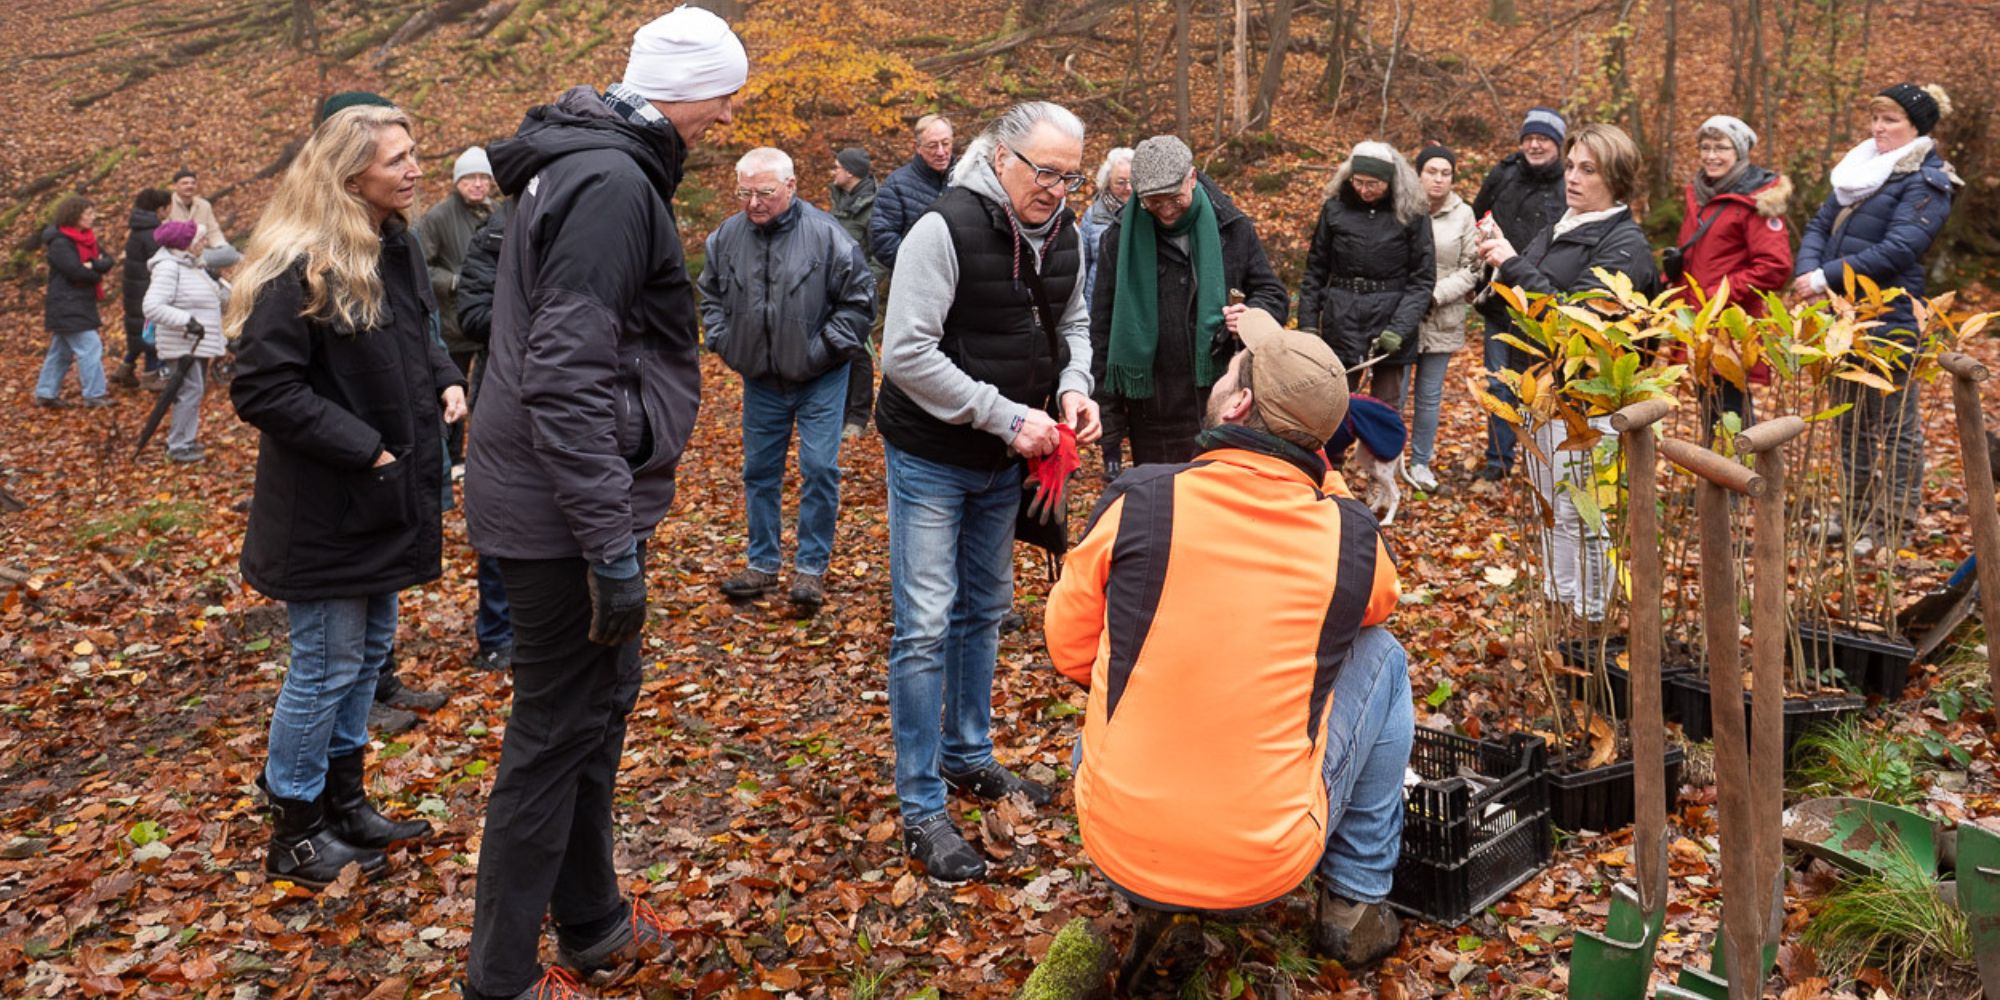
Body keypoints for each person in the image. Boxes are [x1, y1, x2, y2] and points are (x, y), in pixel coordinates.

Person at [460, 8, 747, 999]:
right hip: (561, 510)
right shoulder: (611, 183)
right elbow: (565, 373)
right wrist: (606, 543)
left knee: (595, 708)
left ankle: (591, 919)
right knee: (550, 733)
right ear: (685, 90)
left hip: (568, 498)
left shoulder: (587, 163)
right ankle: (497, 977)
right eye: (724, 96)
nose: (727, 117)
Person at [1045, 309, 1407, 988]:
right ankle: (1354, 900)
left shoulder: (1141, 499)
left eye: (1229, 373)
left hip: (1115, 837)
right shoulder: (1352, 537)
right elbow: (1378, 602)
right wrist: (1319, 482)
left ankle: (1158, 861)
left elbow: (1068, 651)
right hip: (1267, 860)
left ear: (1237, 403)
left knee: (1120, 667)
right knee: (1382, 654)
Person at [226, 103, 463, 889]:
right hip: (328, 508)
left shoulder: (391, 246)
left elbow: (413, 340)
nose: (414, 168)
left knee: (365, 660)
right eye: (397, 158)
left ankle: (345, 802)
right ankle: (295, 829)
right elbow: (263, 386)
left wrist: (447, 379)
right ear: (349, 172)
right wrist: (366, 449)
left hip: (383, 501)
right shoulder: (301, 260)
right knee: (324, 667)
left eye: (413, 151)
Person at [875, 101, 1102, 883]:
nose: (1058, 190)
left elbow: (1072, 322)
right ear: (1000, 157)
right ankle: (919, 804)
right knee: (926, 624)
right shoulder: (941, 229)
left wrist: (1075, 388)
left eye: (1071, 176)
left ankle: (969, 754)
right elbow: (904, 353)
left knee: (986, 610)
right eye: (1045, 172)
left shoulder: (1064, 232)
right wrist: (1005, 417)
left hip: (1007, 461)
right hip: (935, 454)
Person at [1477, 122, 1660, 621]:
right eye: (1572, 167)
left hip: (1589, 405)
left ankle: (1591, 620)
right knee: (1551, 511)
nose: (1572, 179)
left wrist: (1513, 265)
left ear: (1617, 180)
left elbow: (1579, 323)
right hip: (1542, 394)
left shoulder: (1624, 245)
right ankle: (1561, 608)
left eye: (1588, 170)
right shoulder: (1564, 225)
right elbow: (1527, 300)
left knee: (1586, 518)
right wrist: (1497, 263)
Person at [702, 147, 875, 613]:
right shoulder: (725, 238)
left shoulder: (827, 235)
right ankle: (762, 563)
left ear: (791, 187)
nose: (754, 202)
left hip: (821, 377)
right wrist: (724, 341)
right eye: (745, 193)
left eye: (764, 193)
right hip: (761, 378)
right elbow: (710, 296)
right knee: (759, 472)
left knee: (819, 469)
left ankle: (811, 569)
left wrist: (823, 351)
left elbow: (859, 301)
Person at [1794, 83, 1958, 558]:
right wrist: (1808, 272)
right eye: (1875, 118)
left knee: (1895, 427)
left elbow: (1901, 248)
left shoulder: (1927, 181)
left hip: (1891, 317)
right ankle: (1854, 516)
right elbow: (1819, 225)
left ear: (1916, 128)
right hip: (1842, 316)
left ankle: (1893, 527)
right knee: (1850, 423)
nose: (1878, 128)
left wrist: (1825, 275)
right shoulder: (1859, 172)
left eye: (1890, 120)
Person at [1090, 135, 1288, 465]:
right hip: (1154, 414)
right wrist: (1109, 423)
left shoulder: (1233, 228)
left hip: (1226, 405)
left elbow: (1274, 295)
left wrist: (1252, 314)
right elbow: (1102, 328)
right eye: (1153, 200)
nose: (1165, 208)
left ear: (1192, 178)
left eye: (1173, 196)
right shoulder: (1117, 240)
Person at [1673, 114, 1793, 428]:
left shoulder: (1756, 200)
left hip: (1730, 324)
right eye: (1706, 147)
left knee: (1730, 414)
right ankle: (1722, 476)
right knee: (1711, 409)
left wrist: (1717, 295)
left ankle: (1743, 476)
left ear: (1738, 153)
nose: (1711, 156)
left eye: (1721, 148)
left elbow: (1775, 266)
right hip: (1697, 320)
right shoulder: (1699, 194)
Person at [1297, 141, 1434, 411]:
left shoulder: (1412, 213)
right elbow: (1315, 269)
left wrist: (1398, 329)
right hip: (1340, 319)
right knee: (1332, 405)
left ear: (1390, 181)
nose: (1364, 190)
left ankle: (1379, 456)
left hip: (1390, 322)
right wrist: (1308, 323)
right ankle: (1333, 455)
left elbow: (1422, 279)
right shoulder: (1334, 209)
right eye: (1358, 181)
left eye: (1373, 184)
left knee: (1385, 410)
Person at [1470, 107, 1569, 480]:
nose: (1536, 144)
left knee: (1542, 387)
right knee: (1498, 384)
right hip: (1500, 300)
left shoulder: (1568, 184)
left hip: (1545, 303)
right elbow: (1479, 215)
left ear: (1558, 145)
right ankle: (1497, 464)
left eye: (1544, 138)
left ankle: (1540, 465)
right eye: (1530, 137)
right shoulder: (1504, 174)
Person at [1405, 144, 1479, 492]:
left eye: (1445, 173)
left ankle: (1421, 463)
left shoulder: (1464, 214)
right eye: (1431, 172)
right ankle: (1386, 461)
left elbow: (1473, 267)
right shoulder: (1402, 208)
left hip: (1442, 315)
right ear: (1418, 174)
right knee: (1394, 391)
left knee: (1429, 395)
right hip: (1402, 317)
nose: (1438, 179)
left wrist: (1434, 295)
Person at [417, 145, 497, 467]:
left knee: (489, 392)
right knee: (453, 393)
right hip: (453, 324)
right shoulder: (438, 217)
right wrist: (453, 282)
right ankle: (451, 458)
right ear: (457, 182)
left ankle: (485, 455)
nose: (477, 184)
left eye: (483, 178)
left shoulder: (496, 214)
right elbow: (421, 264)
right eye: (470, 178)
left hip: (489, 322)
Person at [141, 220, 229, 463]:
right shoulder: (169, 267)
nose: (204, 243)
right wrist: (187, 320)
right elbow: (152, 306)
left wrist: (218, 284)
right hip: (181, 343)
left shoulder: (192, 265)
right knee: (190, 391)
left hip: (196, 343)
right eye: (200, 239)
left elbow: (217, 299)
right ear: (185, 244)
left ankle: (184, 441)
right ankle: (178, 446)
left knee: (193, 391)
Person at [1078, 146, 1133, 480]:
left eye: (1131, 183)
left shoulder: (1146, 216)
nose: (1126, 189)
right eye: (1119, 183)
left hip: (1133, 315)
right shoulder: (1093, 216)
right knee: (1104, 388)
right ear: (1107, 183)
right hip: (1100, 312)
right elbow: (1082, 267)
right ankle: (1110, 456)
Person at [37, 195, 117, 409]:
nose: (93, 217)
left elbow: (108, 260)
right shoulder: (60, 242)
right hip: (66, 304)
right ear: (75, 215)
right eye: (88, 213)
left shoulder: (88, 239)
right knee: (90, 346)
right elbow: (75, 271)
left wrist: (92, 264)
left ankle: (46, 392)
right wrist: (95, 271)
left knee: (61, 351)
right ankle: (94, 394)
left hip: (79, 302)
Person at [829, 146, 885, 438]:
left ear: (850, 172)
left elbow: (881, 256)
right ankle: (839, 411)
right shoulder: (839, 198)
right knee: (836, 347)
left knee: (859, 354)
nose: (834, 172)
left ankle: (858, 417)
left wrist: (865, 285)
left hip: (860, 292)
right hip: (834, 289)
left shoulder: (874, 207)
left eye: (837, 167)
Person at [869, 114, 954, 271]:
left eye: (946, 143)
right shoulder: (896, 185)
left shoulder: (966, 179)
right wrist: (923, 267)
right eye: (932, 146)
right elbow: (882, 241)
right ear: (918, 148)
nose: (941, 152)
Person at [116, 188, 172, 389]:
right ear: (159, 209)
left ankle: (125, 367)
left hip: (136, 289)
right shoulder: (152, 233)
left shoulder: (138, 228)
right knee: (150, 332)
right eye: (167, 208)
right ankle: (150, 375)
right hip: (146, 289)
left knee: (138, 330)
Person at [167, 169, 230, 251]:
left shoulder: (204, 205)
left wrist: (221, 246)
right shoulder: (167, 205)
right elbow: (165, 234)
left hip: (203, 251)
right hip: (177, 252)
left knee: (232, 253)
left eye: (193, 183)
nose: (190, 186)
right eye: (185, 183)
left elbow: (213, 231)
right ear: (175, 186)